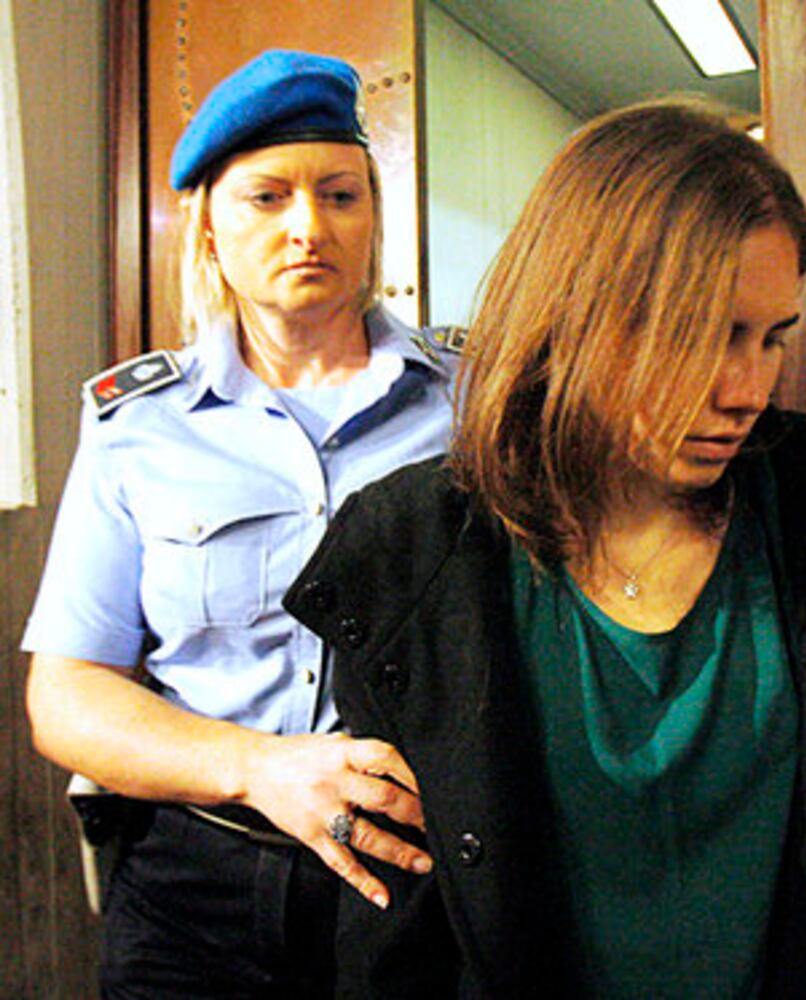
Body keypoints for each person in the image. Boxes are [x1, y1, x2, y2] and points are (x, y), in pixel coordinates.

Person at [284, 99, 806, 997]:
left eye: (771, 339)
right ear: (577, 313)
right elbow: (403, 919)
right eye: (701, 335)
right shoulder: (416, 550)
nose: (746, 389)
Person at [23, 49, 457, 996]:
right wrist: (259, 768)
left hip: (414, 877)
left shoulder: (466, 405)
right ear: (209, 228)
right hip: (194, 891)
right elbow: (68, 694)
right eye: (267, 197)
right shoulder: (138, 425)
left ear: (373, 217)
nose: (309, 227)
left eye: (340, 195)